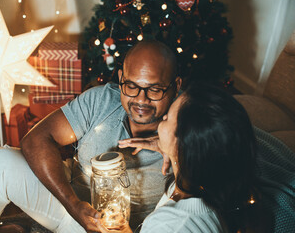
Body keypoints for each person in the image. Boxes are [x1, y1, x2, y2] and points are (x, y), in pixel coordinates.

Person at [0, 40, 182, 233]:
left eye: (154, 89)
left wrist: (179, 147)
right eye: (132, 86)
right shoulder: (102, 100)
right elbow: (36, 139)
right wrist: (73, 204)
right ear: (121, 78)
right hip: (69, 209)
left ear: (176, 87)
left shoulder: (189, 122)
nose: (141, 100)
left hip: (126, 228)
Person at [96, 83, 261, 233]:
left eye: (167, 118)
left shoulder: (173, 225)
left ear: (185, 144)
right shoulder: (208, 184)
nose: (162, 119)